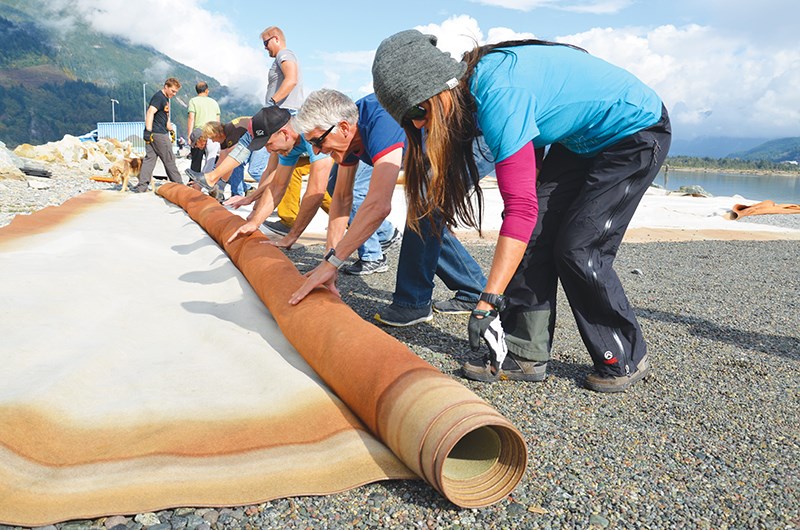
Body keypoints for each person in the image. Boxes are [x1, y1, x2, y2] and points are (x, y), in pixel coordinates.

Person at [371, 30, 671, 392]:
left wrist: (487, 300)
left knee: (578, 247)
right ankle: (526, 352)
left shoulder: (498, 94)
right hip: (578, 140)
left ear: (440, 87)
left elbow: (520, 208)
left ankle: (624, 354)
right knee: (534, 236)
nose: (419, 124)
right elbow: (530, 195)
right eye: (409, 119)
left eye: (419, 111)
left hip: (634, 129)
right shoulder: (472, 96)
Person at [288, 89, 486, 313]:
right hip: (433, 143)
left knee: (423, 204)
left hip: (475, 135)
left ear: (343, 128)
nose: (316, 150)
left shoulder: (380, 120)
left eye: (317, 141)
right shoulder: (348, 135)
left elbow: (379, 206)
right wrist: (329, 261)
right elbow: (342, 199)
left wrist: (333, 263)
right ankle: (473, 290)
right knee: (426, 209)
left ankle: (413, 304)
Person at [223, 106, 334, 250]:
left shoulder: (311, 132)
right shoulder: (289, 146)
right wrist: (254, 222)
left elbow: (315, 191)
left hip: (359, 148)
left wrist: (292, 237)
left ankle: (368, 247)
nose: (269, 151)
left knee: (343, 193)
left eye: (269, 144)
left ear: (284, 133)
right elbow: (277, 185)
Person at [135, 77, 183, 192]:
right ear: (166, 87)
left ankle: (142, 187)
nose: (174, 94)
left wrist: (170, 129)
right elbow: (150, 112)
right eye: (173, 91)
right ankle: (180, 187)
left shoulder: (165, 99)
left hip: (155, 133)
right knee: (169, 159)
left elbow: (164, 117)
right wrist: (148, 130)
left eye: (176, 92)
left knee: (149, 159)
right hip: (158, 134)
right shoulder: (159, 97)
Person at [187, 81, 221, 174]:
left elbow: (191, 118)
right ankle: (206, 181)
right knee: (210, 160)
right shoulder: (214, 102)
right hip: (213, 132)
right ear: (207, 91)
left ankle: (193, 182)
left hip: (199, 133)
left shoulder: (193, 101)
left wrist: (189, 135)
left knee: (196, 160)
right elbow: (218, 120)